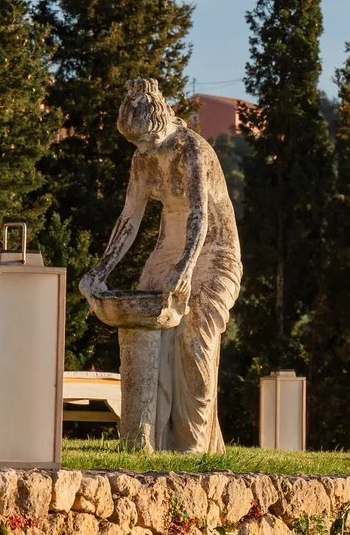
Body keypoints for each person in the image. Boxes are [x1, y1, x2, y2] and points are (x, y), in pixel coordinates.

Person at [78, 79, 243, 452]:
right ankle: (149, 442)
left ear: (161, 125)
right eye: (135, 144)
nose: (142, 151)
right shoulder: (142, 158)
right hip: (169, 250)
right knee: (148, 336)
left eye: (146, 142)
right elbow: (129, 219)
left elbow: (200, 215)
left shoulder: (192, 151)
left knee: (195, 344)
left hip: (213, 251)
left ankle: (193, 445)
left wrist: (185, 270)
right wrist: (100, 271)